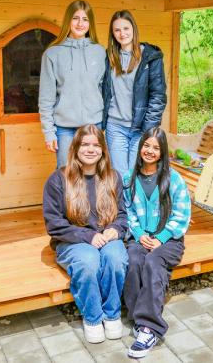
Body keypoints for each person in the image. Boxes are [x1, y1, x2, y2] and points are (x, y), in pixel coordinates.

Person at [42, 124, 128, 344]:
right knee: (89, 262)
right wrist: (87, 236)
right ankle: (92, 318)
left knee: (116, 259)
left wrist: (115, 229)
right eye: (85, 144)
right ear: (75, 147)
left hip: (105, 236)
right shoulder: (58, 179)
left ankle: (112, 314)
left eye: (96, 145)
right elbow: (54, 224)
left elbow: (123, 215)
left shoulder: (113, 177)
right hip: (72, 240)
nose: (90, 149)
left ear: (103, 150)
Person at [123, 127, 191, 359]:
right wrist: (139, 232)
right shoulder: (129, 179)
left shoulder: (174, 179)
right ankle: (137, 317)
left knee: (152, 262)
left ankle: (150, 328)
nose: (150, 151)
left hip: (169, 239)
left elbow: (181, 215)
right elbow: (128, 211)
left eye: (156, 147)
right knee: (133, 259)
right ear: (140, 147)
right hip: (141, 236)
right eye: (146, 145)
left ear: (162, 152)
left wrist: (161, 239)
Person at [39, 0, 106, 168]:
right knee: (66, 176)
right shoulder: (52, 53)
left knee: (94, 175)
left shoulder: (100, 52)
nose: (80, 23)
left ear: (90, 24)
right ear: (68, 20)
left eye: (85, 19)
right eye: (76, 18)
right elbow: (46, 98)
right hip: (64, 129)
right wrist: (49, 132)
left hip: (94, 126)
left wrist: (104, 126)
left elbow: (105, 91)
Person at [102, 11, 167, 175]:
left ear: (134, 29)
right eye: (117, 30)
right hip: (115, 126)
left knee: (135, 175)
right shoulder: (108, 57)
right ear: (112, 33)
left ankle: (135, 202)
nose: (122, 33)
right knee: (120, 176)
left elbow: (158, 96)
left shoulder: (151, 57)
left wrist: (148, 129)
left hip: (140, 128)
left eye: (126, 28)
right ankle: (121, 202)